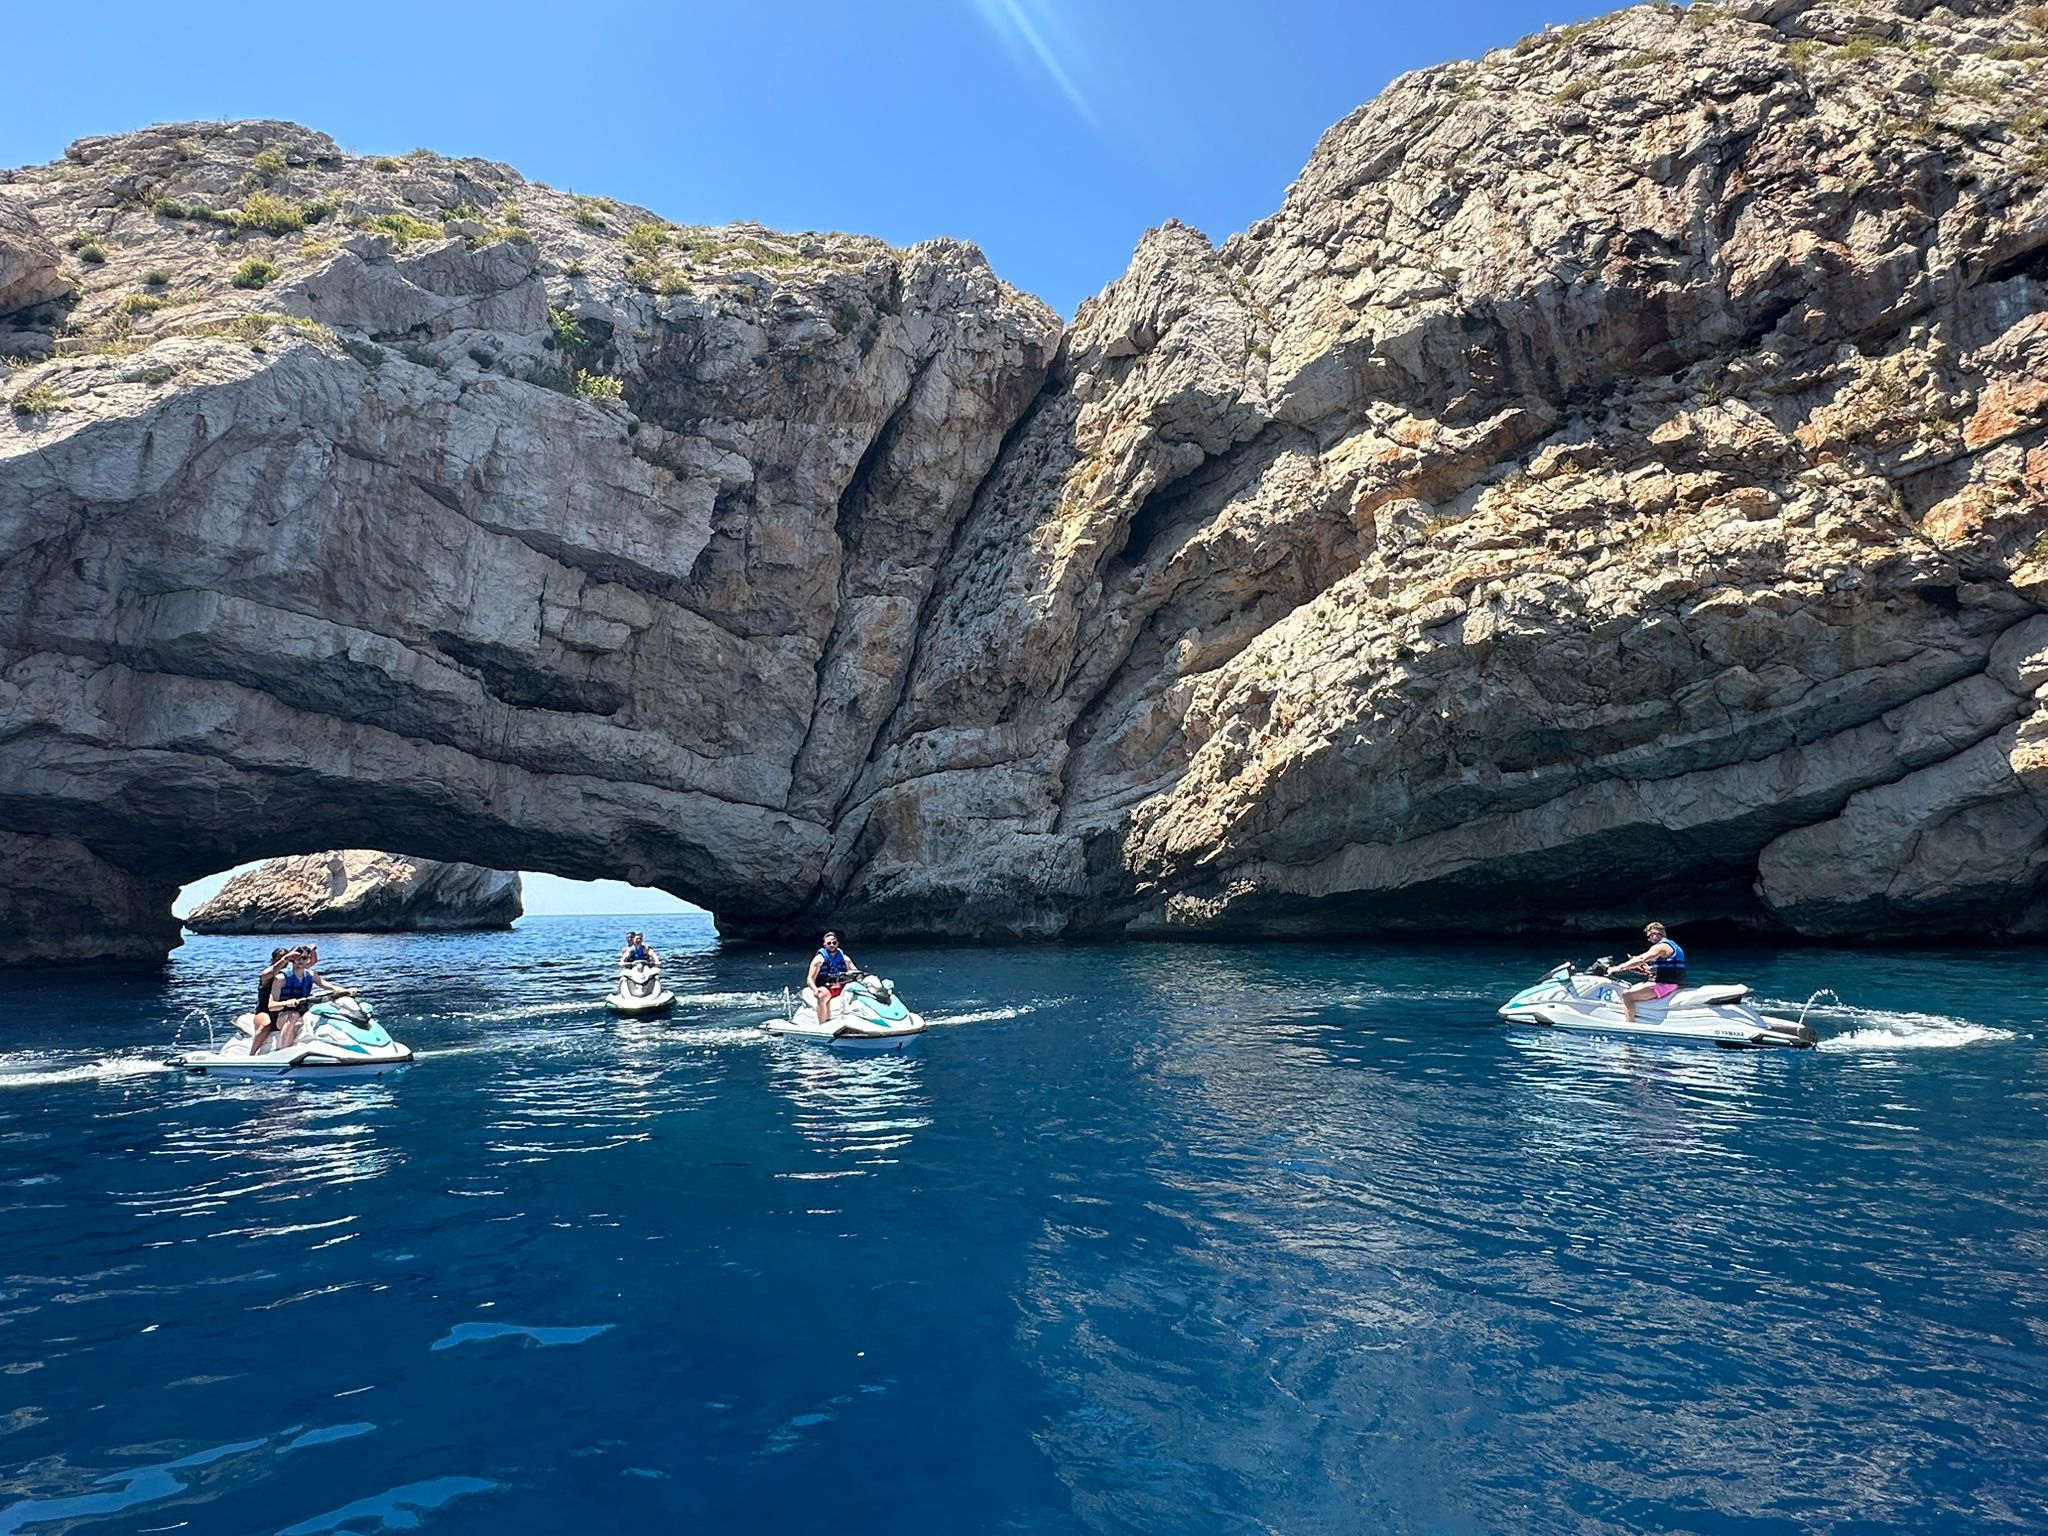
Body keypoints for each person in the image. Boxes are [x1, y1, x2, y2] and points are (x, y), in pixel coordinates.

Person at [1611, 921, 1687, 1022]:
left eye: (1649, 936)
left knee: (1627, 996)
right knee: (1631, 987)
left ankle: (1630, 1025)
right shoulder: (1673, 946)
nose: (1649, 939)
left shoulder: (1661, 947)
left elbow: (1642, 958)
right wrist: (1647, 971)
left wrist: (1619, 967)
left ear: (1655, 933)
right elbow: (1665, 968)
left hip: (1664, 985)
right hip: (1670, 984)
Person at [806, 932, 858, 1025]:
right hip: (825, 986)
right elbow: (810, 979)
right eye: (829, 943)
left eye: (834, 943)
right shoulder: (819, 959)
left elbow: (856, 973)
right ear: (824, 944)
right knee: (822, 996)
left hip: (841, 985)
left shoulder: (845, 959)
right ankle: (822, 1024)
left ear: (837, 944)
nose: (832, 945)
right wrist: (815, 990)